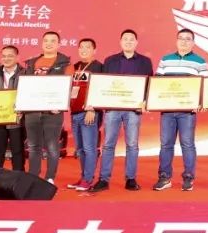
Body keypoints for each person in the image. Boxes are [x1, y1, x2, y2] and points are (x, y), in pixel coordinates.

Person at [90, 29, 154, 193]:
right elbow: (104, 84)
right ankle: (103, 179)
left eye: (131, 39)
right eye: (125, 39)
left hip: (134, 110)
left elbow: (149, 84)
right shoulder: (110, 60)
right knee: (108, 145)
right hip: (113, 109)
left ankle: (131, 179)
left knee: (132, 145)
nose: (128, 41)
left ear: (136, 42)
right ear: (120, 41)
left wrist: (145, 102)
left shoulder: (145, 62)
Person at [154, 29, 208, 192]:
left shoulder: (201, 62)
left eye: (188, 39)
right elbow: (157, 83)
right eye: (181, 38)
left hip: (188, 111)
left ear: (193, 43)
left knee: (187, 144)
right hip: (167, 110)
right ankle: (164, 177)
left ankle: (188, 177)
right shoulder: (165, 60)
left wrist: (201, 102)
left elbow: (205, 86)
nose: (184, 42)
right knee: (166, 144)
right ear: (176, 41)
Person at [22, 31, 72, 184]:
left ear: (59, 44)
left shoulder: (65, 64)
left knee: (52, 146)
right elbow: (25, 86)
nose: (49, 44)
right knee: (33, 146)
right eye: (46, 41)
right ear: (42, 43)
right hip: (32, 111)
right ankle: (33, 176)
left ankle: (50, 177)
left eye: (53, 41)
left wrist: (60, 104)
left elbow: (69, 87)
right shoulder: (31, 63)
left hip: (53, 112)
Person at [67, 38, 103, 190]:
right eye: (81, 47)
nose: (83, 50)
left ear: (94, 50)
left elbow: (101, 89)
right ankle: (83, 177)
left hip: (89, 112)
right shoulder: (75, 67)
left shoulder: (99, 67)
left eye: (87, 47)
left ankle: (88, 179)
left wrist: (92, 109)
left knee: (89, 148)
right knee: (80, 149)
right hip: (75, 112)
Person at [0, 45, 25, 174]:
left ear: (17, 57)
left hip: (17, 119)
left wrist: (23, 111)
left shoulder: (25, 74)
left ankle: (19, 179)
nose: (6, 58)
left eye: (10, 56)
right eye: (4, 56)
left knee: (18, 151)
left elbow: (29, 95)